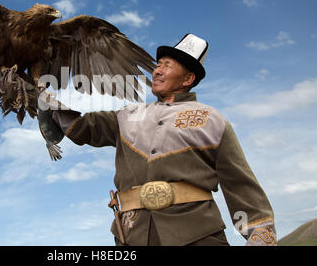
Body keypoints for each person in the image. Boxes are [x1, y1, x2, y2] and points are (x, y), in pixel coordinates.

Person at [49, 34, 277, 246]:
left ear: (188, 78)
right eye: (158, 65)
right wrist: (41, 100)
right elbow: (82, 127)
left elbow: (239, 182)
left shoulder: (212, 120)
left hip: (197, 233)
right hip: (130, 235)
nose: (157, 71)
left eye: (167, 66)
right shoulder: (127, 115)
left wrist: (259, 232)